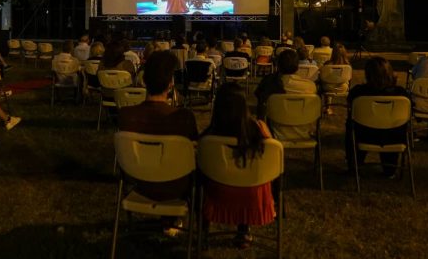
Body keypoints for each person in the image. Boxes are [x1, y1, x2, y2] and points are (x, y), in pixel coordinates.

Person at [118, 51, 198, 234]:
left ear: (144, 81)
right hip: (176, 185)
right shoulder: (183, 118)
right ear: (171, 84)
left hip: (138, 183)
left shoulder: (126, 116)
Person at [200, 83, 275, 249]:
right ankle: (243, 230)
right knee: (247, 174)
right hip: (252, 193)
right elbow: (272, 158)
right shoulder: (258, 129)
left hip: (219, 191)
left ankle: (202, 232)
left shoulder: (210, 136)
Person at [346, 56, 407, 177]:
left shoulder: (358, 92)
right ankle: (390, 169)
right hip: (393, 136)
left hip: (364, 135)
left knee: (351, 124)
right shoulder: (401, 93)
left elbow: (350, 105)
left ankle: (354, 165)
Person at [256, 48, 317, 130]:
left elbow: (260, 102)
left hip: (275, 131)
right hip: (304, 131)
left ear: (278, 65)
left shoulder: (268, 83)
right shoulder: (310, 86)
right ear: (297, 66)